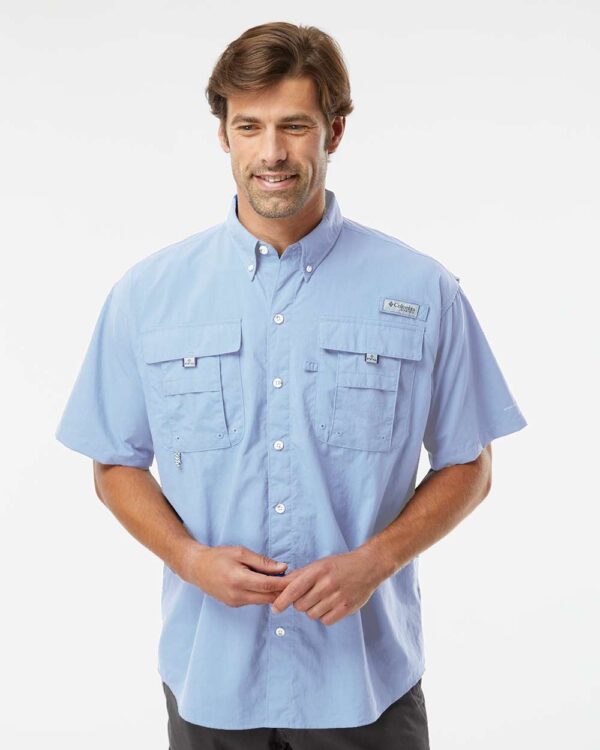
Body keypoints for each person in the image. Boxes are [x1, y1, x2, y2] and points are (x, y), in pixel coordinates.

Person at [55, 20, 527, 750]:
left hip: (364, 686)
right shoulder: (147, 296)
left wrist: (375, 562)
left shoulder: (423, 290)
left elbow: (470, 464)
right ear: (223, 135)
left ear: (334, 131)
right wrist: (189, 560)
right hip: (211, 681)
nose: (271, 152)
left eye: (294, 126)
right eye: (250, 126)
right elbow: (115, 462)